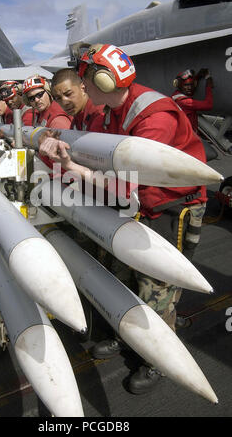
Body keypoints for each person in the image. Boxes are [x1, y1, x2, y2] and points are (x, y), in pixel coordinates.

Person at [39, 44, 208, 395]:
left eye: (86, 82)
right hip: (139, 203)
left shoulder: (153, 117)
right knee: (123, 275)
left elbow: (126, 181)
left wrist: (75, 170)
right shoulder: (114, 110)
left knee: (156, 286)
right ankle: (126, 335)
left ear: (103, 79)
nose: (83, 89)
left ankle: (157, 360)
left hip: (171, 207)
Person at [171, 68, 214, 133]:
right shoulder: (185, 102)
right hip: (186, 137)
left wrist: (197, 77)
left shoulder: (176, 95)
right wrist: (208, 84)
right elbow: (209, 105)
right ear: (179, 86)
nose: (190, 88)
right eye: (186, 85)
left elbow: (189, 86)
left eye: (191, 85)